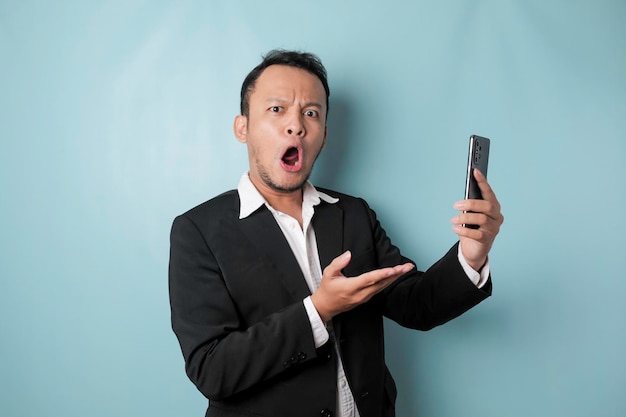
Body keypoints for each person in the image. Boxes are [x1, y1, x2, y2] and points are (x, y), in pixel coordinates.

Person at [169, 49, 504, 417]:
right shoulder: (198, 231)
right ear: (242, 127)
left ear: (324, 136)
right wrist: (319, 309)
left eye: (310, 113)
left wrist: (471, 255)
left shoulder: (353, 214)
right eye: (277, 109)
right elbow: (212, 370)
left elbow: (415, 305)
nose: (296, 125)